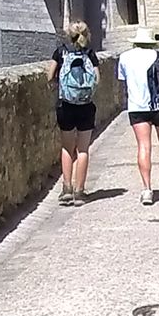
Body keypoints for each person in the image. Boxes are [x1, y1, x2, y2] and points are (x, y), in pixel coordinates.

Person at [118, 25, 159, 204]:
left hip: (137, 107)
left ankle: (147, 189)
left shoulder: (125, 57)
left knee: (144, 146)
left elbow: (123, 81)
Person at [51, 21, 98, 205]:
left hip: (66, 105)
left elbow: (49, 75)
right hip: (86, 106)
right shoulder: (90, 53)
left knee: (67, 148)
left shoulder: (61, 52)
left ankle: (66, 189)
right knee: (83, 149)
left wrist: (60, 85)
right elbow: (97, 79)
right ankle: (80, 191)